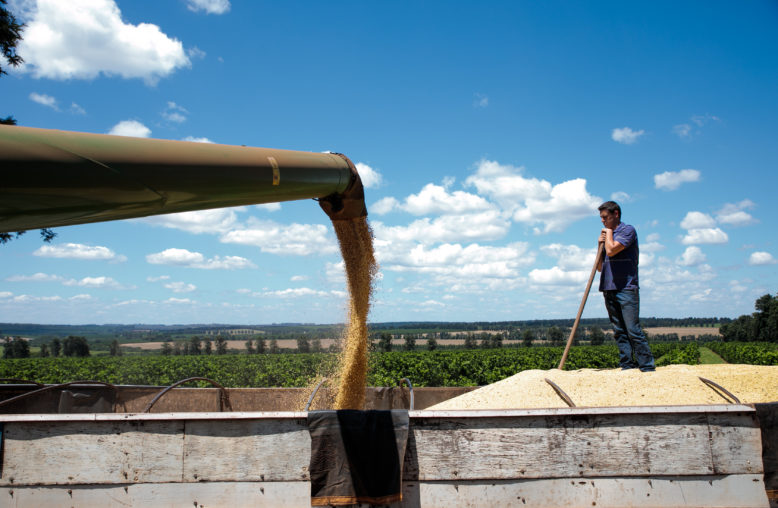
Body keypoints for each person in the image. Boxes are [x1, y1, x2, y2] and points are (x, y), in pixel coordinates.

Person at [597, 201, 655, 372]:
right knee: (619, 330)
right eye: (601, 218)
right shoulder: (606, 236)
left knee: (632, 329)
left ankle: (647, 366)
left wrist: (608, 234)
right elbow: (600, 267)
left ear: (616, 214)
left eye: (605, 217)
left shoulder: (627, 230)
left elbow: (612, 250)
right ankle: (627, 365)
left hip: (626, 288)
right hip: (609, 287)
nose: (602, 221)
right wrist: (599, 244)